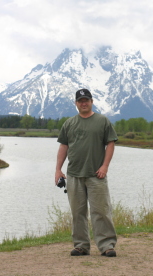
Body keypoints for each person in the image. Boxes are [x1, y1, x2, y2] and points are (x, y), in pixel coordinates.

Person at [55, 88, 118, 257]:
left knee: (101, 211)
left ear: (92, 102)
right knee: (78, 213)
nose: (84, 103)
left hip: (96, 175)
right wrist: (58, 170)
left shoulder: (102, 121)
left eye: (86, 100)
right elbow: (63, 146)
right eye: (80, 100)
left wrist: (105, 166)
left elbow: (110, 144)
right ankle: (81, 245)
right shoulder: (69, 123)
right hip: (74, 175)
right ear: (76, 103)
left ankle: (107, 245)